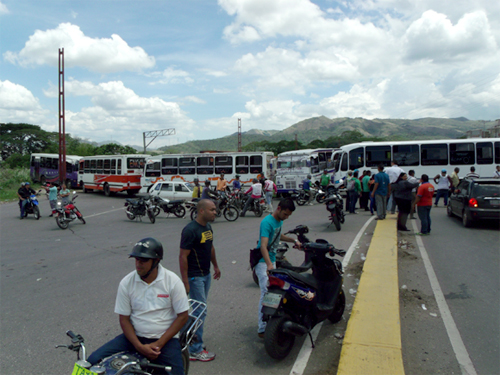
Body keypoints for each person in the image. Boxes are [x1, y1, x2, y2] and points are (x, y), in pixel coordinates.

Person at [88, 238, 189, 375]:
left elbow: (183, 316)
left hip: (165, 340)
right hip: (134, 338)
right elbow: (124, 319)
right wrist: (138, 346)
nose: (138, 264)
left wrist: (159, 343)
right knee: (91, 362)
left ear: (156, 261)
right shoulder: (127, 282)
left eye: (143, 260)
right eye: (136, 259)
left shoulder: (172, 281)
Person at [179, 199, 220, 362]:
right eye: (212, 210)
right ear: (201, 211)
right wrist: (185, 281)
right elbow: (183, 256)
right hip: (195, 277)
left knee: (196, 311)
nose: (215, 212)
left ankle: (185, 340)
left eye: (215, 209)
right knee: (200, 312)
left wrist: (215, 266)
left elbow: (210, 248)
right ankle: (195, 349)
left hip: (206, 274)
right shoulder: (190, 230)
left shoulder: (208, 227)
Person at [255, 198, 300, 338]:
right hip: (263, 261)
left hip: (271, 260)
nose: (286, 218)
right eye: (285, 214)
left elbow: (278, 235)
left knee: (275, 291)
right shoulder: (266, 222)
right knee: (266, 292)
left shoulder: (279, 221)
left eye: (288, 216)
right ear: (279, 208)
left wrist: (294, 240)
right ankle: (262, 328)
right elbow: (263, 245)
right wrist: (269, 264)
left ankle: (271, 320)